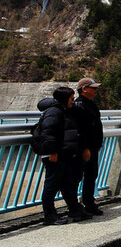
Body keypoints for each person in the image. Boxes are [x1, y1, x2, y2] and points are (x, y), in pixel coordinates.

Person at [37, 86, 91, 225]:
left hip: (62, 154)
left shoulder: (61, 110)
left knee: (67, 183)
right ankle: (49, 215)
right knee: (51, 185)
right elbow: (48, 132)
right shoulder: (54, 112)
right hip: (53, 155)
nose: (73, 101)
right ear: (65, 99)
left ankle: (75, 210)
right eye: (71, 99)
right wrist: (53, 151)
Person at [72, 77, 104, 215]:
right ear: (84, 89)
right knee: (78, 176)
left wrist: (98, 144)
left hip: (92, 147)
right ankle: (74, 206)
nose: (96, 90)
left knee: (91, 175)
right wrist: (84, 148)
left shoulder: (90, 104)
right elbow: (80, 129)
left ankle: (89, 203)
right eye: (93, 88)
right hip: (85, 148)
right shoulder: (79, 105)